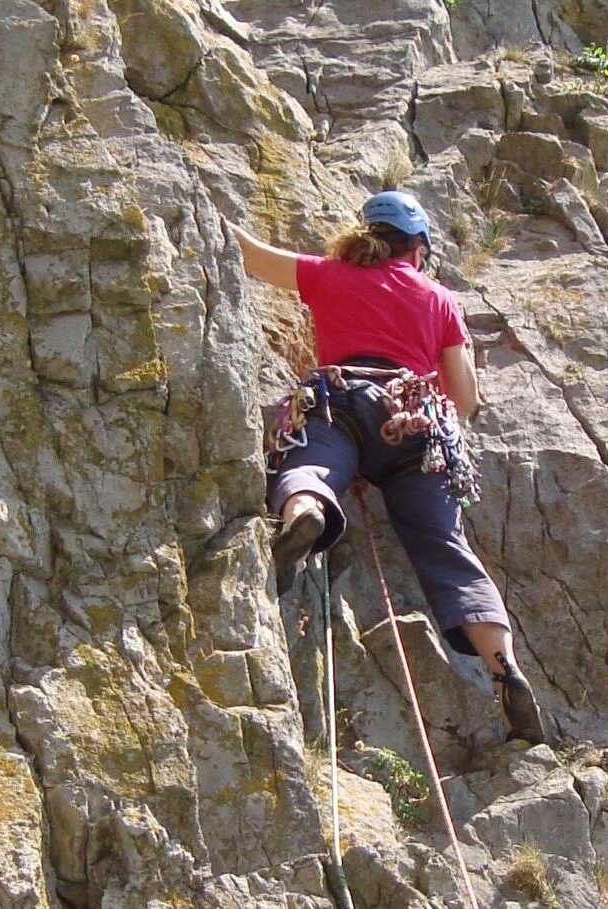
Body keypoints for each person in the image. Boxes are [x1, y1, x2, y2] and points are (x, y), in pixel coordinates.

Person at [229, 191, 545, 745]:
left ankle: (304, 510)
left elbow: (253, 256)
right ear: (418, 247)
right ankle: (503, 668)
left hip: (344, 396)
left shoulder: (332, 273)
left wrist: (193, 200)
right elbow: (465, 398)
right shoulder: (441, 299)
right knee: (446, 548)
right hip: (416, 422)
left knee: (314, 461)